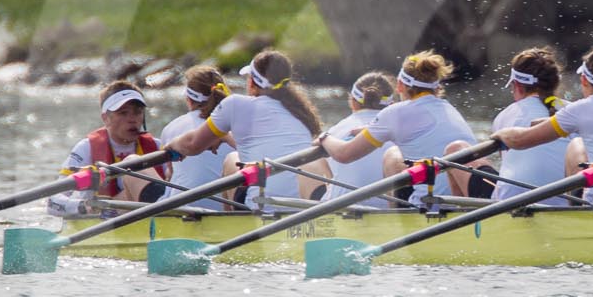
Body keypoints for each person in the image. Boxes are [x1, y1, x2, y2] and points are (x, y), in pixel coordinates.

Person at [165, 49, 325, 206]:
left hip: (260, 206)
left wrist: (172, 145)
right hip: (302, 208)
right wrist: (225, 136)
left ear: (252, 82)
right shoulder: (300, 112)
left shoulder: (235, 104)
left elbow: (193, 144)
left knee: (231, 160)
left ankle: (232, 224)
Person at [491, 44, 593, 198]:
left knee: (577, 145)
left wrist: (501, 133)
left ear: (584, 80)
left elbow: (519, 141)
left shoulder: (580, 110)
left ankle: (577, 208)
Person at [318, 52, 479, 200]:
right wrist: (371, 131)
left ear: (400, 86)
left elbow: (344, 155)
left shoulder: (396, 113)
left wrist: (325, 138)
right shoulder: (449, 109)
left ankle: (398, 221)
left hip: (429, 207)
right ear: (436, 87)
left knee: (392, 156)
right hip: (466, 204)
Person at [52, 79, 171, 214]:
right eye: (123, 113)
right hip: (104, 218)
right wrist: (82, 207)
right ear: (105, 118)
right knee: (132, 163)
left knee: (133, 163)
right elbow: (53, 201)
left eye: (137, 112)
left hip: (147, 212)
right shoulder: (86, 148)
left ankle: (167, 215)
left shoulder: (156, 146)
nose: (132, 119)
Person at [485, 46, 569, 204]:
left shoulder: (504, 116)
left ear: (517, 85)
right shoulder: (573, 111)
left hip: (510, 206)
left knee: (464, 156)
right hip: (566, 204)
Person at [316, 71, 402, 208]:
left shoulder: (335, 131)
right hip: (391, 211)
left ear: (352, 102)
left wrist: (323, 137)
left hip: (343, 210)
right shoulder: (404, 131)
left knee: (311, 165)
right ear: (391, 104)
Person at [157, 65, 232, 209]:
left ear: (188, 100)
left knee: (132, 162)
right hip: (228, 209)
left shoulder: (171, 128)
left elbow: (170, 175)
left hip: (183, 209)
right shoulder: (237, 125)